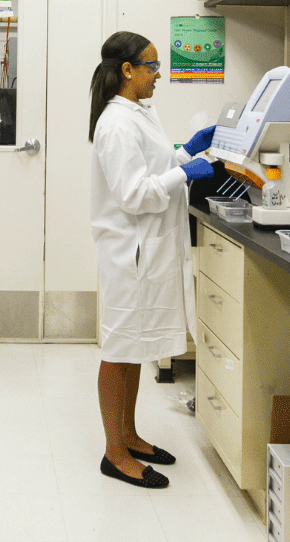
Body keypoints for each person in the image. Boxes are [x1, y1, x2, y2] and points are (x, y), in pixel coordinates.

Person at [87, 30, 217, 489]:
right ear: (128, 71)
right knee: (119, 349)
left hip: (145, 250)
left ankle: (130, 435)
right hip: (130, 254)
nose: (158, 74)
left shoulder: (139, 113)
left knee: (134, 349)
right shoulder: (117, 122)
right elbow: (134, 192)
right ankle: (114, 453)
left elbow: (151, 168)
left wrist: (185, 152)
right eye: (152, 66)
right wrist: (184, 173)